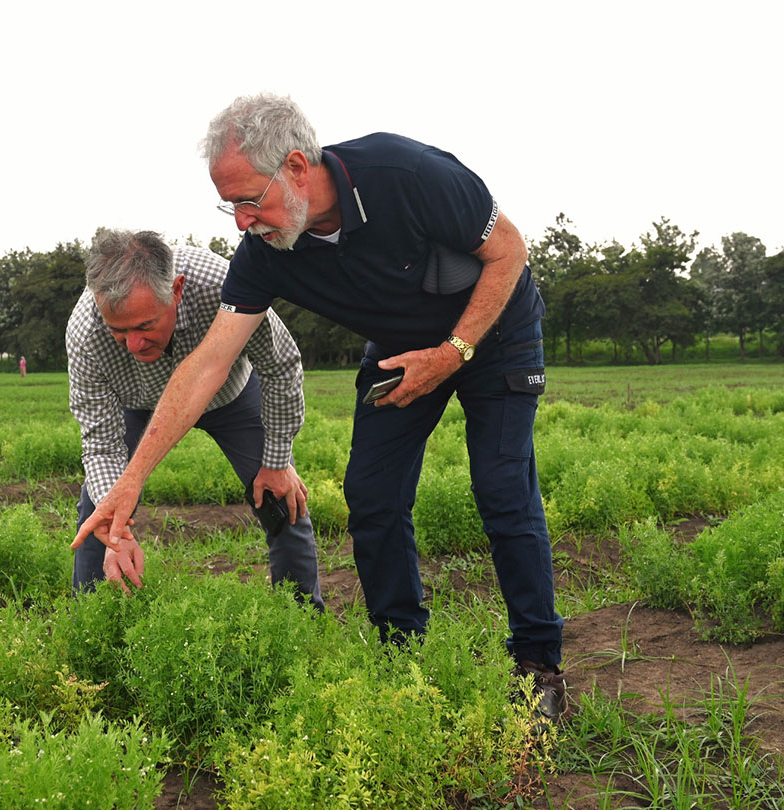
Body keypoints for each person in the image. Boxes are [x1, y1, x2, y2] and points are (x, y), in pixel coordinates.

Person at [72, 95, 567, 721]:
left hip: (491, 335)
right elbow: (207, 365)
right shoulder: (265, 253)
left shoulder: (408, 174)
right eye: (229, 205)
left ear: (298, 167)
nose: (240, 222)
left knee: (501, 487)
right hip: (399, 351)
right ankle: (399, 655)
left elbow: (510, 251)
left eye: (249, 200)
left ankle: (537, 664)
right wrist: (129, 484)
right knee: (372, 495)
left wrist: (452, 352)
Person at [66, 227, 323, 607]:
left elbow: (279, 364)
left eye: (144, 326)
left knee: (281, 497)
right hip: (138, 406)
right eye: (118, 331)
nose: (133, 344)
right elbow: (101, 442)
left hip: (230, 396)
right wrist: (115, 534)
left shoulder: (221, 284)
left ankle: (302, 618)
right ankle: (91, 625)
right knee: (100, 513)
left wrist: (277, 459)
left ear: (177, 290)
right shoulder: (84, 332)